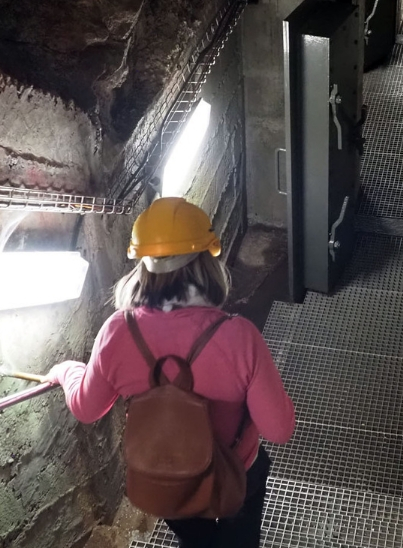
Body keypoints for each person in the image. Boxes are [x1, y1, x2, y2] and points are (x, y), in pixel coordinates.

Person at [46, 197, 295, 548]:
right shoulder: (239, 337)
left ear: (141, 264)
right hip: (236, 471)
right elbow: (279, 430)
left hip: (167, 477)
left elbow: (88, 409)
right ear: (208, 260)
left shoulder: (117, 332)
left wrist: (67, 371)